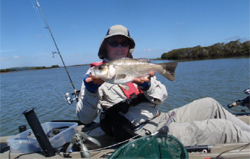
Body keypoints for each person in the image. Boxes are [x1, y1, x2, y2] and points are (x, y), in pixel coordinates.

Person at [76, 24, 250, 147]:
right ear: (105, 46)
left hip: (161, 117)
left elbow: (162, 97)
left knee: (210, 103)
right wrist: (91, 91)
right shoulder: (95, 75)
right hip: (143, 133)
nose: (120, 47)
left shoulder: (137, 66)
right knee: (224, 129)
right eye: (114, 42)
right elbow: (85, 119)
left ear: (129, 47)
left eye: (124, 43)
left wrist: (148, 86)